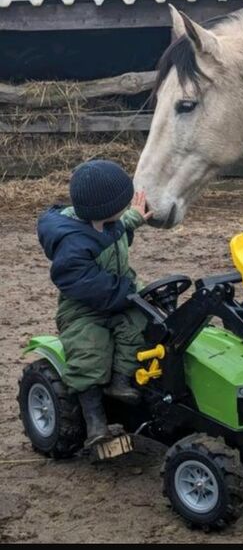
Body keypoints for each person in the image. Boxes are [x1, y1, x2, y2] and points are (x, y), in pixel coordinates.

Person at [37, 159, 153, 448]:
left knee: (143, 326)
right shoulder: (72, 244)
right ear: (102, 210)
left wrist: (134, 217)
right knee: (89, 352)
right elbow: (88, 285)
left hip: (120, 296)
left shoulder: (108, 223)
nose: (128, 206)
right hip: (83, 308)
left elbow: (119, 230)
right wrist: (128, 291)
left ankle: (122, 381)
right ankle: (95, 422)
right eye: (124, 204)